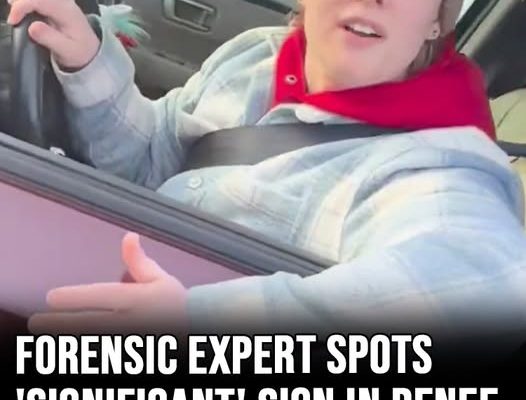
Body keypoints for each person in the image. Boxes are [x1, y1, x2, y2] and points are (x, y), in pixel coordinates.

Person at [7, 0, 526, 339]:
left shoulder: (434, 164)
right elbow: (151, 160)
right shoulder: (256, 56)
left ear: (438, 19)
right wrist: (87, 60)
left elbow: (484, 291)